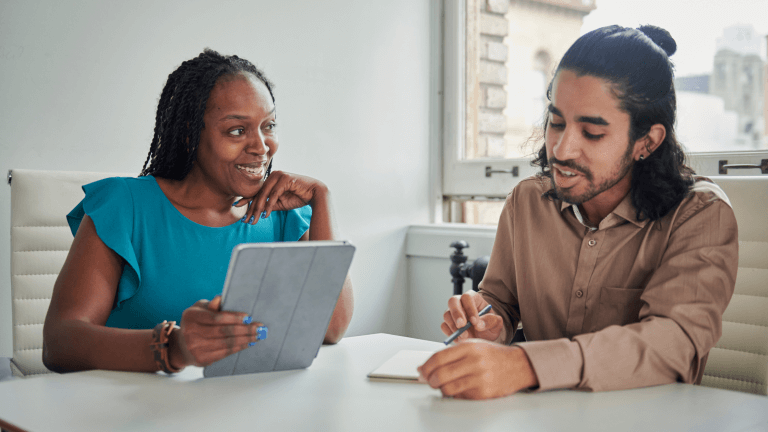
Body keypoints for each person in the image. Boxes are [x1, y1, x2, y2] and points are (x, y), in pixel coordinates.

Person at [419, 25, 738, 399]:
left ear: (647, 142)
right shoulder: (527, 201)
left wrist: (527, 365)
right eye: (556, 123)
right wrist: (488, 323)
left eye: (592, 132)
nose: (561, 149)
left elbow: (675, 343)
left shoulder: (699, 215)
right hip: (541, 418)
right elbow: (501, 302)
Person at [43, 49, 353, 374]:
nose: (261, 146)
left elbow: (332, 328)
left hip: (248, 400)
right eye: (237, 130)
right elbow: (60, 342)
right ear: (190, 133)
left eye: (269, 125)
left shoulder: (283, 215)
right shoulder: (125, 206)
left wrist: (321, 198)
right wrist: (175, 348)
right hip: (136, 403)